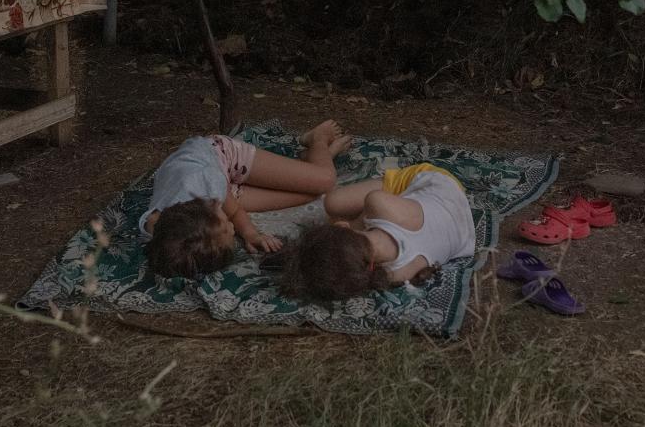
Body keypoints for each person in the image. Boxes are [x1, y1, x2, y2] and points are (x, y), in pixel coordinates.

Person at [142, 120, 351, 278]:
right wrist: (254, 236)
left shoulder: (210, 184)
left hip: (220, 155)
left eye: (226, 226)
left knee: (325, 181)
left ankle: (317, 141)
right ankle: (313, 163)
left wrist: (248, 231)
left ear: (212, 205)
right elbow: (186, 247)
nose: (233, 230)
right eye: (231, 234)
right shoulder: (165, 231)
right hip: (215, 183)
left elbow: (233, 212)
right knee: (310, 194)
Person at [278, 162, 475, 302]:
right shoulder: (377, 203)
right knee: (333, 202)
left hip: (463, 233)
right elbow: (352, 226)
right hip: (446, 189)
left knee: (335, 206)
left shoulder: (396, 274)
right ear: (342, 228)